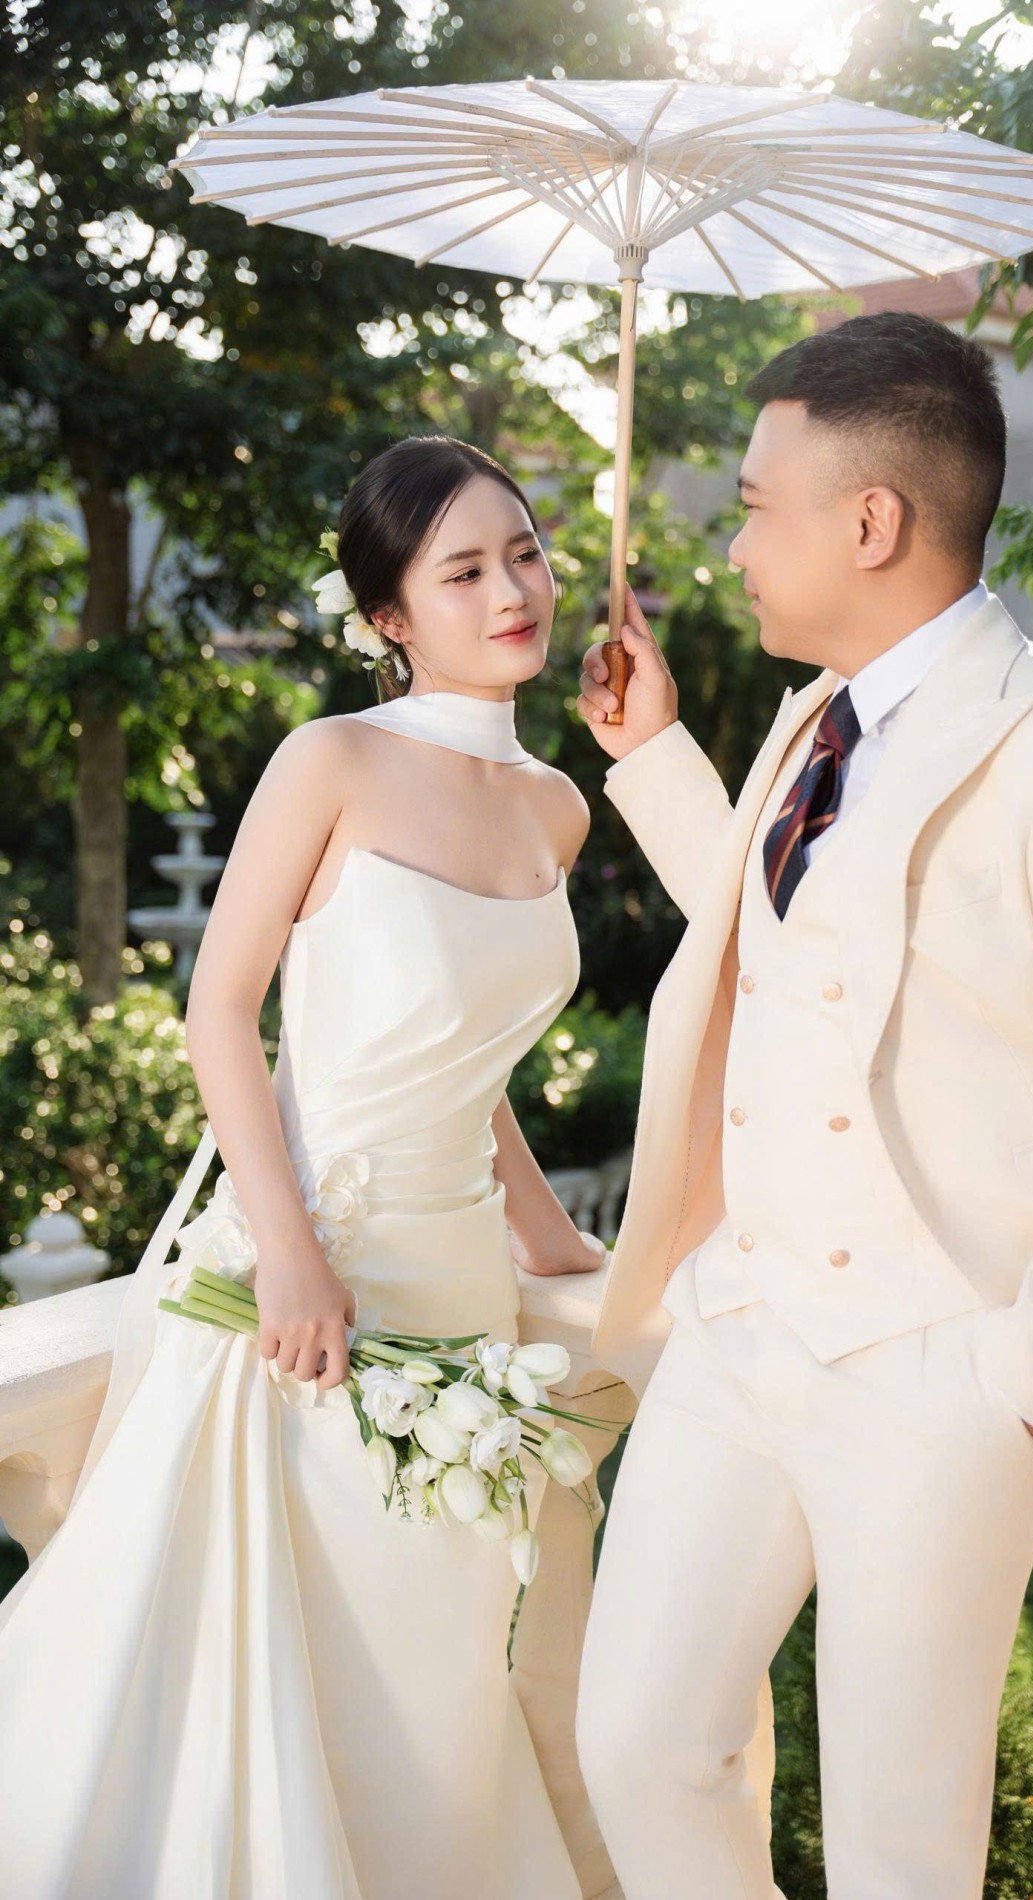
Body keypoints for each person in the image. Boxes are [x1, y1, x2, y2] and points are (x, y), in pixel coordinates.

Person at [572, 311, 1033, 1898]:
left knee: (900, 1845)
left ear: (871, 522)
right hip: (744, 1323)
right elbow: (786, 943)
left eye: (758, 506)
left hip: (938, 1363)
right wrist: (653, 753)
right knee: (638, 1744)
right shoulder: (814, 720)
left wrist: (1027, 1376)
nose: (733, 543)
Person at [0, 434, 605, 1899]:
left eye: (524, 554)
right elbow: (220, 1008)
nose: (512, 592)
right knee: (298, 1667)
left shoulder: (559, 806)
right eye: (463, 571)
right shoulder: (331, 761)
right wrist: (287, 1252)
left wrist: (553, 1245)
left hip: (464, 1298)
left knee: (433, 1685)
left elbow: (475, 1065)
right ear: (390, 615)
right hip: (314, 1283)